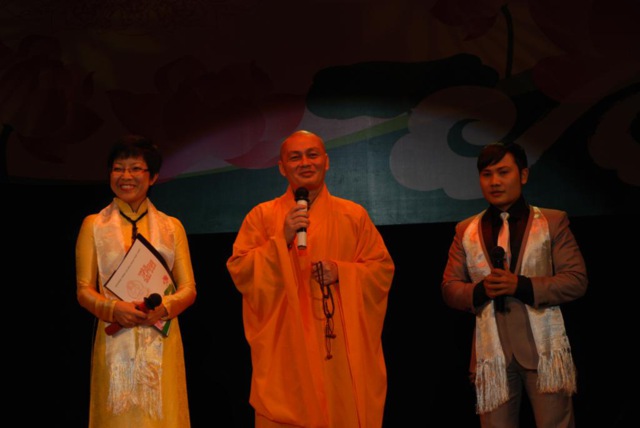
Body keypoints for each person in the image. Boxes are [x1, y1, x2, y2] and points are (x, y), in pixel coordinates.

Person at [227, 129, 395, 427]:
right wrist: (281, 240)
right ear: (282, 167)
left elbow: (381, 270)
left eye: (312, 155)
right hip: (286, 343)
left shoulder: (353, 215)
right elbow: (241, 270)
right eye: (295, 157)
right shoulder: (262, 216)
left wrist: (341, 272)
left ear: (326, 161)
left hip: (337, 346)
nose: (305, 163)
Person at [441, 142, 588, 427]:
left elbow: (576, 280)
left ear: (523, 175)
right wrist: (480, 290)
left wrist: (520, 286)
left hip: (544, 351)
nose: (494, 181)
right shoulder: (466, 229)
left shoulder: (552, 221)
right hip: (491, 356)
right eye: (487, 174)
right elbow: (449, 287)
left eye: (503, 172)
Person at [75, 135, 197, 427]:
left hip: (161, 339)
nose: (125, 176)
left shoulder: (172, 227)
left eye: (135, 169)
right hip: (114, 337)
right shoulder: (94, 225)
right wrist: (113, 309)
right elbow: (83, 290)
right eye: (118, 169)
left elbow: (189, 289)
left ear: (152, 177)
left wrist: (164, 308)